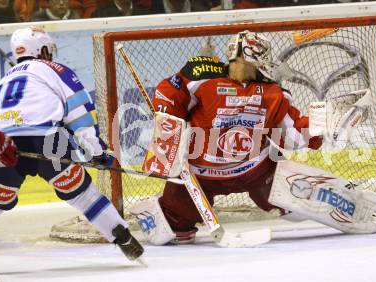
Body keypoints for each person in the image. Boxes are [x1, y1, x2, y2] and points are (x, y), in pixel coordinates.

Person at [130, 31, 324, 245]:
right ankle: (163, 210)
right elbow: (169, 95)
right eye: (264, 56)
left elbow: (293, 137)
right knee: (172, 228)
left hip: (256, 171)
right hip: (199, 175)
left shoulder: (273, 92)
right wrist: (169, 137)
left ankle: (327, 199)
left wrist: (321, 127)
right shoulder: (200, 74)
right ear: (251, 56)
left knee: (296, 205)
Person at [0, 27, 143, 261]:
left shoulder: (5, 80)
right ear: (41, 50)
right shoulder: (55, 69)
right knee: (83, 195)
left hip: (4, 144)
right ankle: (123, 239)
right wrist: (97, 152)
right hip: (47, 138)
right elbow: (79, 114)